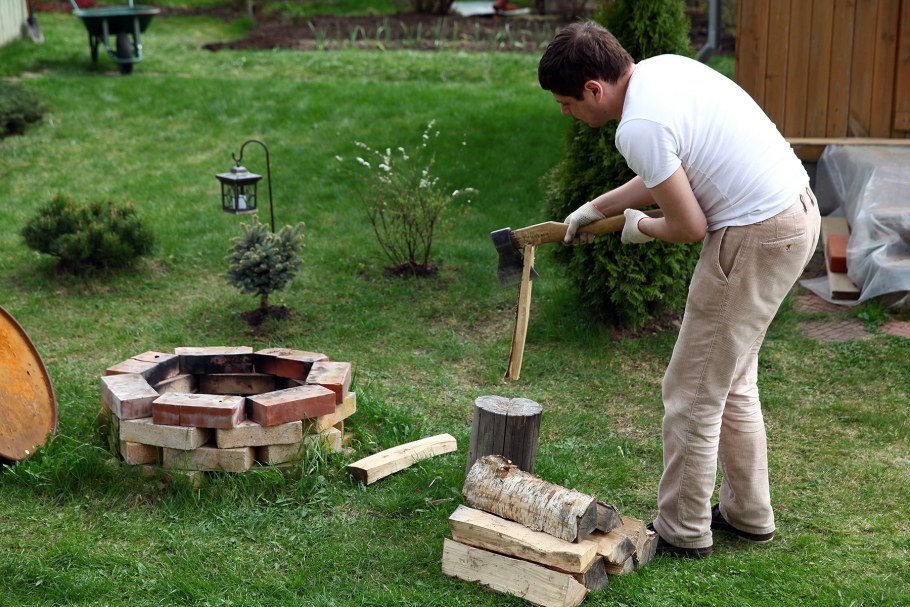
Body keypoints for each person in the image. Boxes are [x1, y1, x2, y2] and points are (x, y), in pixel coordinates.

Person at [538, 21, 820, 558]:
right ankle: (748, 515)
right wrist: (599, 206)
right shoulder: (661, 72)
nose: (566, 113)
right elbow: (666, 171)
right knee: (730, 379)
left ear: (594, 89)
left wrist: (638, 227)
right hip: (796, 214)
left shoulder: (637, 126)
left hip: (755, 235)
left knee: (691, 390)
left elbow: (688, 226)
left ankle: (682, 530)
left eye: (568, 103)